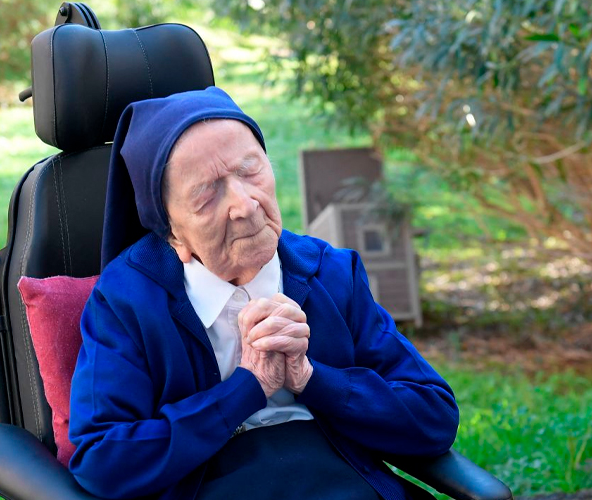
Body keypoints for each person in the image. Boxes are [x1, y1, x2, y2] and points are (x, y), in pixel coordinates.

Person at [68, 86, 459, 500]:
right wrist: (246, 388)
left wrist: (311, 378)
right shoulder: (127, 300)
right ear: (172, 234)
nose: (246, 204)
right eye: (207, 194)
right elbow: (102, 460)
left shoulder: (330, 272)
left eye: (250, 170)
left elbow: (432, 417)